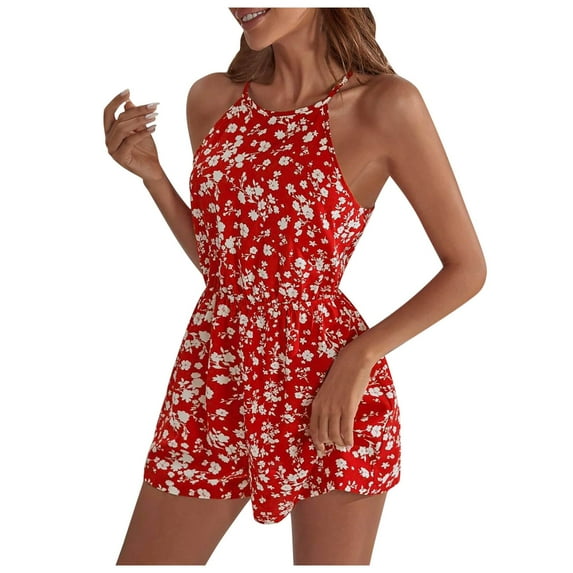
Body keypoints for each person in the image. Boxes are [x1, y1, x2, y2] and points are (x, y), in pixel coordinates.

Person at [103, 7, 486, 566]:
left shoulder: (386, 105)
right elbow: (228, 266)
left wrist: (360, 357)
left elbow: (467, 268)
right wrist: (155, 178)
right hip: (215, 376)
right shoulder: (211, 99)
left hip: (328, 388)